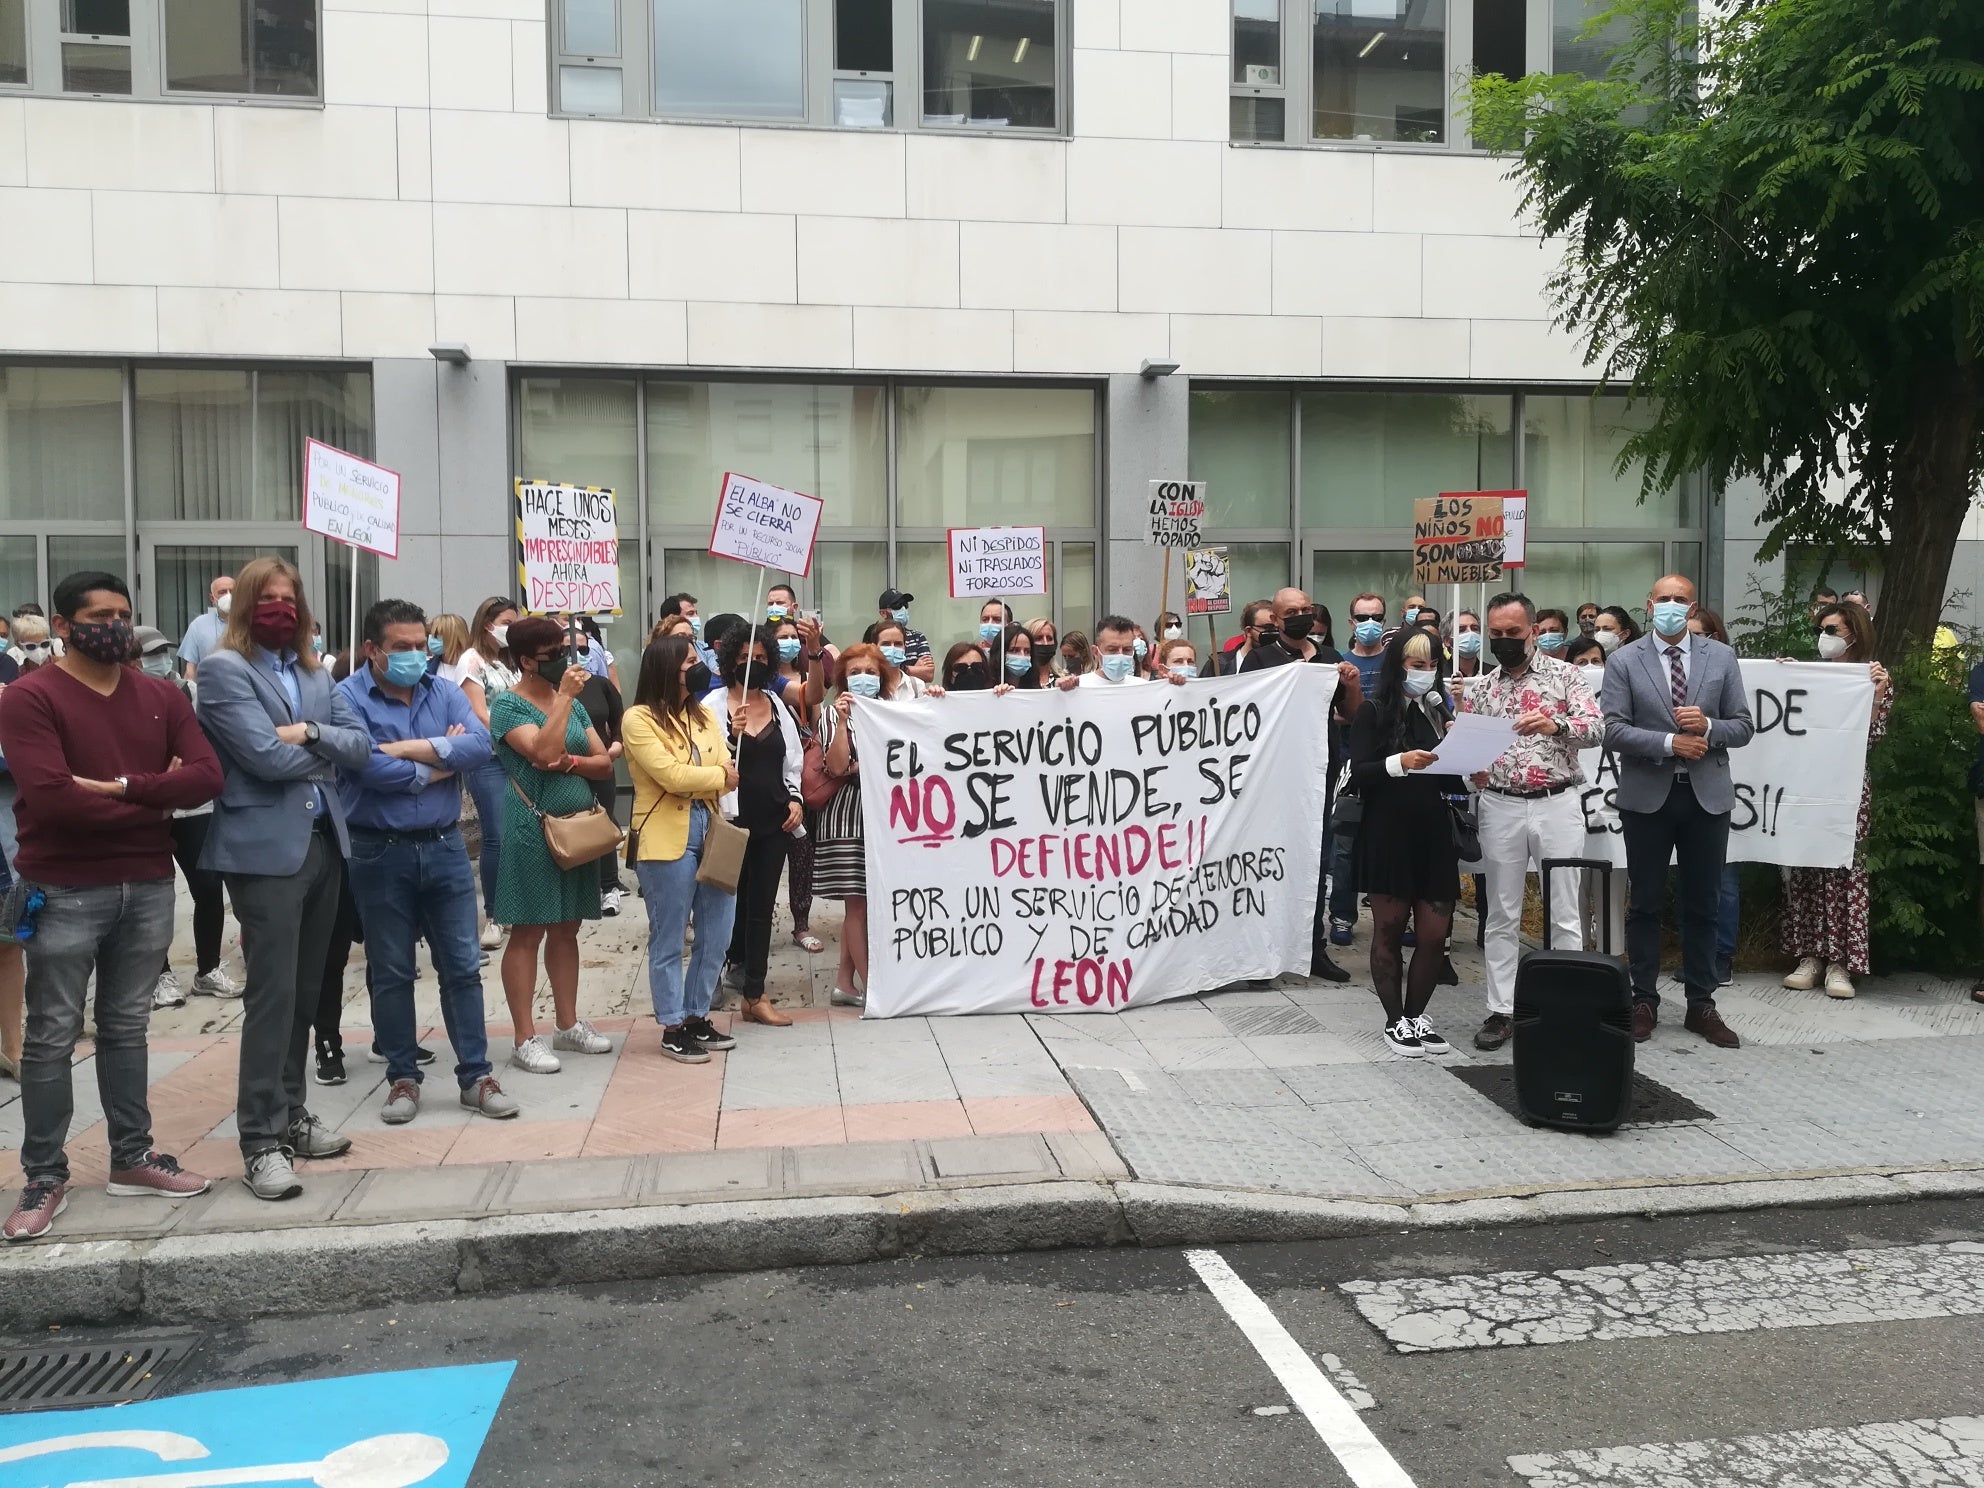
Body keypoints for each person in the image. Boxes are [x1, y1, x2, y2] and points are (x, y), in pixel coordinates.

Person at [0, 571, 225, 1242]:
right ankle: (44, 1173)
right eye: (99, 614)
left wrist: (127, 787)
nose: (115, 625)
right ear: (63, 626)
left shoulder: (161, 696)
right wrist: (157, 797)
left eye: (123, 613)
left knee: (127, 1027)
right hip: (63, 886)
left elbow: (208, 775)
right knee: (50, 1035)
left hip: (149, 882)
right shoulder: (29, 697)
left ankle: (132, 1157)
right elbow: (50, 797)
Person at [197, 557, 371, 1201]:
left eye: (289, 597)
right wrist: (323, 753)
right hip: (265, 850)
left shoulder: (314, 671)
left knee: (306, 992)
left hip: (326, 840)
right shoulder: (223, 670)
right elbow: (262, 759)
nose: (281, 608)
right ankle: (260, 1139)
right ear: (245, 604)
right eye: (267, 598)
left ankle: (292, 1114)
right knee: (271, 997)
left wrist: (313, 733)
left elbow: (360, 745)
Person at [336, 599, 516, 1126]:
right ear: (373, 650)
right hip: (377, 850)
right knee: (391, 971)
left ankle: (476, 1076)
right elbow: (367, 767)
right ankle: (402, 1078)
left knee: (462, 967)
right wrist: (438, 761)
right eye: (402, 648)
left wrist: (407, 749)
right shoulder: (345, 697)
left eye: (422, 646)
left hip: (444, 845)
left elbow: (481, 747)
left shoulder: (443, 690)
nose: (417, 655)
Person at [1601, 574, 1754, 1048]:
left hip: (1706, 796)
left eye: (1680, 600)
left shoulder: (1721, 657)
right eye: (1663, 599)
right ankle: (1643, 999)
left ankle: (1701, 1002)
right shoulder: (1625, 660)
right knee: (1644, 902)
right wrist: (1670, 742)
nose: (1671, 606)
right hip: (1648, 796)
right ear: (1649, 605)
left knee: (1703, 902)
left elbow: (1744, 726)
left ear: (1692, 608)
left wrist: (1708, 726)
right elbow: (1611, 729)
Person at [1461, 593, 1605, 1051]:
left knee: (1564, 908)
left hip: (1556, 801)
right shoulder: (1482, 687)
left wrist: (1554, 725)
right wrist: (1470, 766)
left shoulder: (1567, 676)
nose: (1503, 641)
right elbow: (1469, 752)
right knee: (1501, 912)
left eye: (1513, 633)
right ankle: (1502, 1010)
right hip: (1500, 803)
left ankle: (1566, 1007)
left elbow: (1598, 729)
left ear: (1534, 632)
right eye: (1496, 634)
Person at [490, 616, 617, 1074]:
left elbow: (603, 764)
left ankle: (567, 1023)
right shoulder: (509, 706)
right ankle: (524, 1036)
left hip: (576, 827)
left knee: (567, 926)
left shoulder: (577, 704)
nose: (566, 660)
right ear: (526, 661)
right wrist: (562, 698)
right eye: (553, 654)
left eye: (567, 649)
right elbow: (541, 752)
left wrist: (572, 763)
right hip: (533, 827)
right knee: (528, 929)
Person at [623, 635, 741, 1063]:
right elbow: (671, 775)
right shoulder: (638, 719)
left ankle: (696, 1015)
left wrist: (716, 774)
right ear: (666, 668)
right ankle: (672, 1024)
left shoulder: (704, 715)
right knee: (670, 935)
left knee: (719, 930)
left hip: (710, 825)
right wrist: (716, 777)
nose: (700, 666)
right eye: (691, 660)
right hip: (664, 833)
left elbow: (726, 760)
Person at [1347, 628, 1459, 1058]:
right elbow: (1359, 771)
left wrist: (1470, 772)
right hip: (1387, 832)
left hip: (1433, 833)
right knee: (1389, 930)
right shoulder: (1374, 711)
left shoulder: (1437, 715)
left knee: (1434, 934)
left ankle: (1415, 1016)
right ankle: (1395, 1020)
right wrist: (1400, 762)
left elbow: (1447, 774)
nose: (1425, 674)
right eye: (1417, 666)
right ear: (1399, 667)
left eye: (1432, 667)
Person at [1781, 602, 1892, 999]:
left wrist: (1876, 696)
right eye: (1821, 629)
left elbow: (1873, 739)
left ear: (1855, 634)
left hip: (1847, 789)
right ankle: (1809, 955)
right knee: (1808, 867)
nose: (1823, 637)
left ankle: (1841, 963)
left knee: (1845, 873)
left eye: (1832, 629)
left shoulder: (1873, 678)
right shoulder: (1812, 675)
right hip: (1808, 785)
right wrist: (1784, 678)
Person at [132, 626, 235, 1010]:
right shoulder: (125, 699)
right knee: (155, 896)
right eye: (149, 654)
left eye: (162, 653)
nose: (157, 660)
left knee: (208, 887)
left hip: (193, 807)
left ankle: (207, 969)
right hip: (148, 808)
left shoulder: (189, 692)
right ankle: (160, 976)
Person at [716, 624, 802, 1028]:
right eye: (745, 655)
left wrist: (796, 799)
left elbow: (794, 761)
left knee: (762, 908)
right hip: (730, 823)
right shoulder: (713, 707)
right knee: (723, 904)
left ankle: (755, 992)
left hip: (773, 822)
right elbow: (708, 762)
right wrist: (730, 737)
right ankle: (716, 972)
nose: (753, 663)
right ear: (731, 658)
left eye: (763, 657)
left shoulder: (776, 704)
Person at [815, 643, 896, 1008]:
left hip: (885, 816)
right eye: (855, 672)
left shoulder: (894, 711)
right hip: (848, 815)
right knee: (857, 906)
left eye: (871, 672)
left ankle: (845, 983)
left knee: (867, 903)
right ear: (842, 678)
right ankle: (874, 988)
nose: (863, 679)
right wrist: (845, 722)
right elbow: (835, 766)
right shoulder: (833, 715)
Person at [457, 596, 521, 951]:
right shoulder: (472, 661)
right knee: (495, 834)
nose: (513, 629)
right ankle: (495, 915)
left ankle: (514, 905)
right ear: (488, 624)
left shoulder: (510, 661)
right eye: (508, 622)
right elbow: (478, 712)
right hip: (489, 757)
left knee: (515, 833)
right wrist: (514, 735)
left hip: (518, 757)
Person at [1690, 607, 1741, 986]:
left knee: (1719, 882)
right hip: (1657, 793)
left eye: (1701, 634)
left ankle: (1716, 961)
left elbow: (1743, 725)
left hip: (1712, 790)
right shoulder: (1637, 661)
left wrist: (1708, 726)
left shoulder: (1726, 665)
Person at [574, 643, 627, 917]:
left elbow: (620, 718)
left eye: (583, 646)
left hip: (601, 765)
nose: (574, 651)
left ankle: (609, 887)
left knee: (604, 822)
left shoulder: (601, 685)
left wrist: (617, 743)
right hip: (566, 769)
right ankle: (579, 889)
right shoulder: (552, 689)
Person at [178, 574, 235, 681]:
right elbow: (191, 669)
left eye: (232, 591)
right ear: (212, 598)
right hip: (210, 692)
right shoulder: (199, 625)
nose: (228, 595)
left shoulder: (251, 623)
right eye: (222, 592)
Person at [876, 588, 935, 683]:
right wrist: (911, 669)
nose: (903, 609)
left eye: (905, 605)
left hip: (913, 695)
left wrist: (892, 669)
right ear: (883, 613)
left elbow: (928, 674)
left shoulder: (918, 637)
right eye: (897, 606)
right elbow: (872, 671)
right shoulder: (875, 636)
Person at [659, 591, 718, 672]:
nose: (696, 617)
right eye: (690, 613)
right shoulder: (656, 651)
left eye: (696, 613)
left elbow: (717, 677)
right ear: (672, 619)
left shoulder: (704, 647)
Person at [429, 613, 473, 684]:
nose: (431, 639)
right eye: (432, 634)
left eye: (436, 636)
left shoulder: (476, 668)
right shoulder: (426, 669)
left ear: (452, 638)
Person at [999, 623, 1042, 689]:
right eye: (1014, 650)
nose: (1022, 656)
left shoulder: (1035, 687)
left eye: (1027, 651)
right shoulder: (986, 685)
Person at [1024, 616, 1062, 681]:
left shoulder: (1064, 681)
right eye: (1038, 638)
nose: (1045, 643)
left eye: (1049, 638)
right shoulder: (1017, 681)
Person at [1450, 611, 1483, 679]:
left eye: (1475, 629)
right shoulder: (1439, 675)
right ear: (1447, 641)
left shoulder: (1493, 674)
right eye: (1461, 630)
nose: (1470, 633)